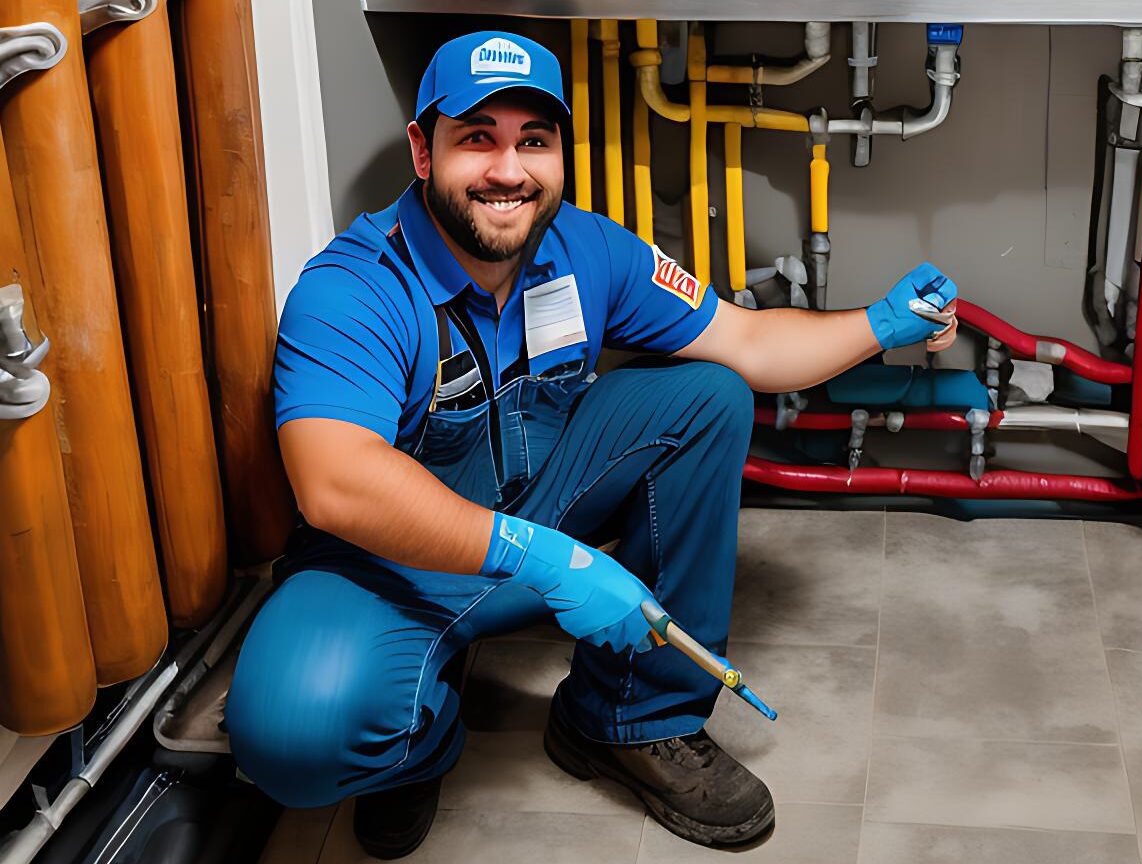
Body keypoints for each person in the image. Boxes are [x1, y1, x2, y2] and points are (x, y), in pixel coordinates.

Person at [225, 30, 958, 859]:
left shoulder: (587, 249)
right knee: (290, 737)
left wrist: (881, 325)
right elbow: (337, 486)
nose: (509, 171)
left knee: (707, 395)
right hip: (384, 565)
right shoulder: (353, 289)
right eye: (477, 139)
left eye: (533, 141)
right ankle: (414, 742)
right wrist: (546, 560)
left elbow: (749, 345)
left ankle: (629, 716)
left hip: (538, 503)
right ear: (422, 152)